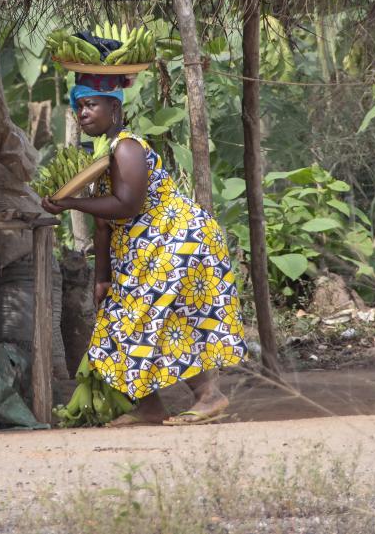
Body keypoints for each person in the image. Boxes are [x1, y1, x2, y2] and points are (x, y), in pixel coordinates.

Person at [40, 76, 246, 426]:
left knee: (159, 319)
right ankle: (149, 406)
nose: (82, 114)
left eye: (91, 105)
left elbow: (127, 205)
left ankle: (209, 395)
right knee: (118, 321)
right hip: (149, 249)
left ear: (115, 108)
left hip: (176, 240)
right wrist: (102, 277)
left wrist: (72, 202)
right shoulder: (104, 155)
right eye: (79, 107)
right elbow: (104, 225)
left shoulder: (127, 147)